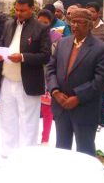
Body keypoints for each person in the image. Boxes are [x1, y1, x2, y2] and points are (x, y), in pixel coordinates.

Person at [46, 8, 104, 155]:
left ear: (90, 25)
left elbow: (101, 80)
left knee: (85, 150)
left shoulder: (101, 48)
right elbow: (50, 69)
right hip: (61, 106)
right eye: (72, 22)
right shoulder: (62, 43)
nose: (74, 26)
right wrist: (55, 92)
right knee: (62, 149)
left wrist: (78, 97)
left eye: (79, 22)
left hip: (84, 108)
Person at [0, 0, 51, 157]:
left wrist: (23, 57)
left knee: (28, 121)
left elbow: (46, 55)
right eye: (17, 10)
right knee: (7, 118)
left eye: (23, 10)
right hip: (7, 78)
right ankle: (7, 153)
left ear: (31, 9)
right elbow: (1, 42)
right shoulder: (9, 24)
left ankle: (27, 156)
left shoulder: (41, 28)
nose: (18, 13)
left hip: (27, 81)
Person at [36, 9, 62, 144]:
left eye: (46, 23)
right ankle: (30, 138)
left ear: (51, 24)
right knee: (32, 111)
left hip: (47, 78)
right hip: (32, 77)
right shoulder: (30, 34)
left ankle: (45, 138)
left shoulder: (57, 38)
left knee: (47, 111)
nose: (42, 25)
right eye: (40, 21)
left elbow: (57, 58)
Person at [85, 2, 104, 128]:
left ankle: (101, 119)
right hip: (85, 63)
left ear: (98, 13)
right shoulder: (84, 26)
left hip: (100, 63)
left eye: (92, 11)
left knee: (101, 91)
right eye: (88, 11)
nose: (90, 14)